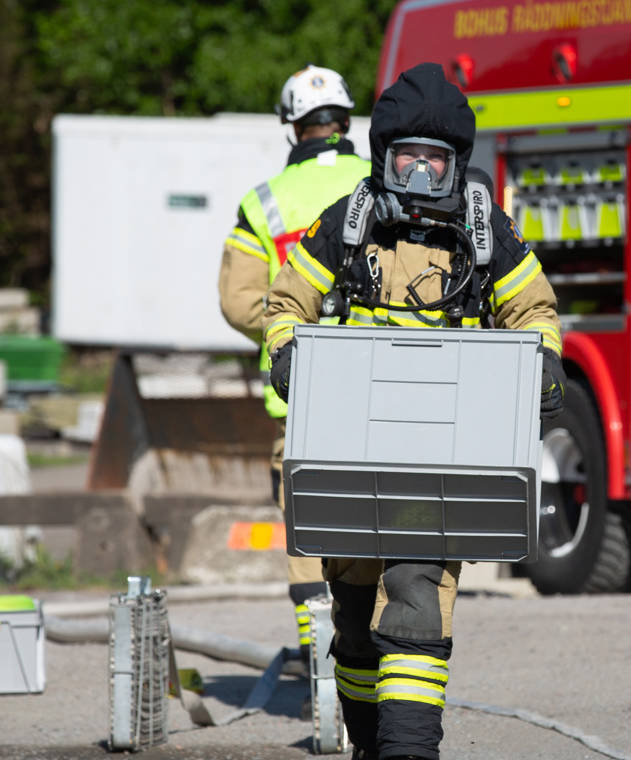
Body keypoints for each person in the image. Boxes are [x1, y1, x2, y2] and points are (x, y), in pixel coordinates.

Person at [262, 62, 565, 760]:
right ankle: (371, 741)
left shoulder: (488, 235)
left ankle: (409, 748)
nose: (423, 177)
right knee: (356, 624)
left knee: (417, 596)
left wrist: (544, 362)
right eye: (408, 161)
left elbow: (534, 309)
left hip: (441, 462)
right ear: (382, 159)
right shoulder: (348, 224)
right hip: (352, 454)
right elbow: (287, 303)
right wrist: (285, 353)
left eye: (436, 162)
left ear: (457, 164)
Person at [219, 64, 372, 664]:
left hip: (301, 395)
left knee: (309, 529)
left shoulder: (263, 203)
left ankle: (320, 662)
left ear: (292, 129)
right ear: (345, 121)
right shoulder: (382, 182)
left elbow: (236, 302)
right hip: (378, 386)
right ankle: (385, 654)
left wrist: (298, 320)